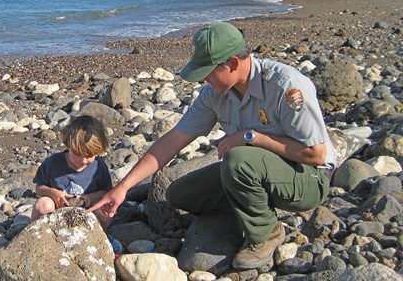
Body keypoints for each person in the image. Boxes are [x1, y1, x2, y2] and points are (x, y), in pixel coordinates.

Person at [89, 21, 336, 269]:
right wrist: (122, 188)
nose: (204, 79)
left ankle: (266, 232)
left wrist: (252, 137)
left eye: (207, 71)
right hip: (254, 171)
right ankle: (248, 208)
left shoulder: (285, 85)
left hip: (308, 177)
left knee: (238, 159)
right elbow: (174, 140)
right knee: (180, 195)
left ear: (233, 63)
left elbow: (316, 153)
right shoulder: (215, 94)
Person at [31, 114, 113, 229]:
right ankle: (36, 233)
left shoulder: (99, 167)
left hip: (87, 212)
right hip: (57, 212)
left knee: (105, 209)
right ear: (68, 145)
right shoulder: (53, 163)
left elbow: (105, 192)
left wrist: (89, 198)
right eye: (77, 154)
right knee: (43, 205)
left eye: (89, 155)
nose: (83, 160)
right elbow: (39, 188)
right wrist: (54, 193)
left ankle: (100, 238)